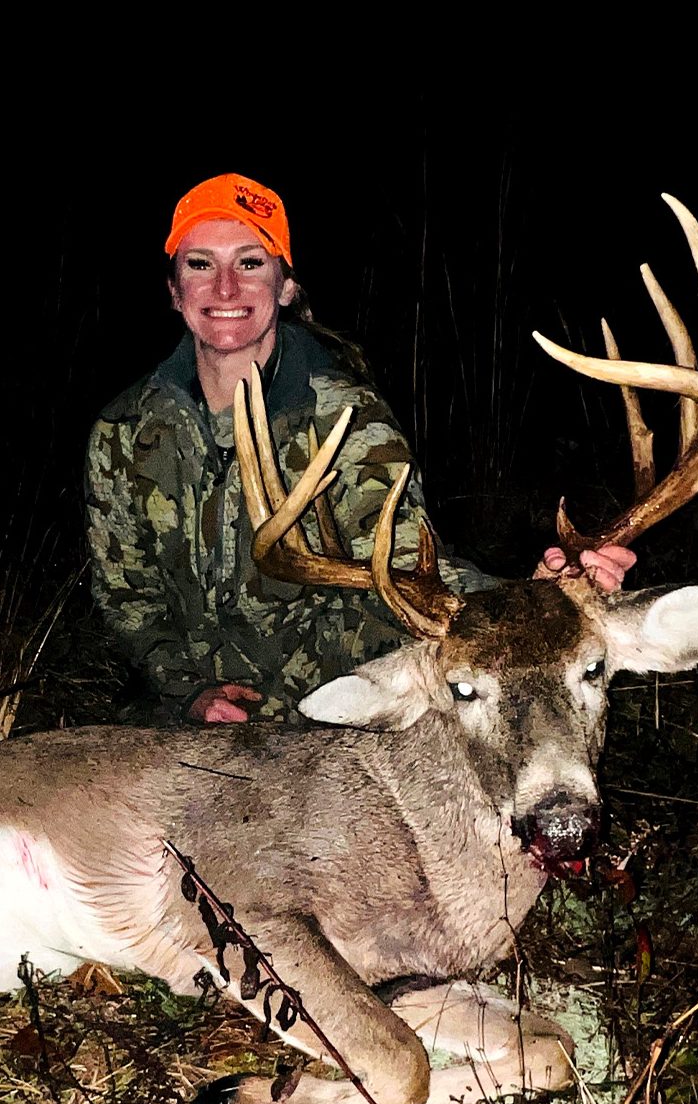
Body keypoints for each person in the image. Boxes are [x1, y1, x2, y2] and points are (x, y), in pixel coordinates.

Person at [85, 173, 635, 726]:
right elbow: (127, 597)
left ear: (285, 286)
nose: (225, 289)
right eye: (200, 264)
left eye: (250, 263)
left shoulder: (349, 421)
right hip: (180, 709)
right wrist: (190, 691)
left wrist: (527, 601)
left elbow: (404, 569)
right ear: (175, 290)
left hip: (326, 712)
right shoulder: (124, 432)